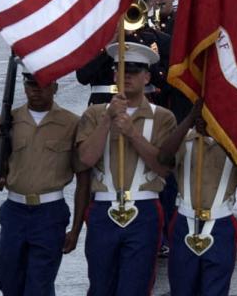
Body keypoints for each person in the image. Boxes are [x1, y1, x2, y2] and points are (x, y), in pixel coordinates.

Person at [76, 42, 177, 296]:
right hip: (103, 207)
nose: (127, 76)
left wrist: (133, 133)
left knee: (136, 286)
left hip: (143, 209)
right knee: (100, 287)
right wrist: (108, 119)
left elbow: (164, 168)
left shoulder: (162, 117)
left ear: (147, 76)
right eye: (121, 70)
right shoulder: (94, 113)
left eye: (134, 70)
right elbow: (86, 159)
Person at [0, 71, 89, 295]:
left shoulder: (71, 123)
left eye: (43, 85)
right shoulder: (7, 121)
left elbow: (83, 180)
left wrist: (77, 229)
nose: (36, 90)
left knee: (39, 286)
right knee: (9, 282)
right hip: (14, 211)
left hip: (49, 214)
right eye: (31, 84)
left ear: (55, 87)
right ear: (24, 87)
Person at [156, 99, 237, 296]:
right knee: (182, 288)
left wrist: (223, 136)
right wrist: (189, 119)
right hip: (185, 221)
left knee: (215, 289)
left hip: (220, 223)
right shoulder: (184, 140)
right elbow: (163, 157)